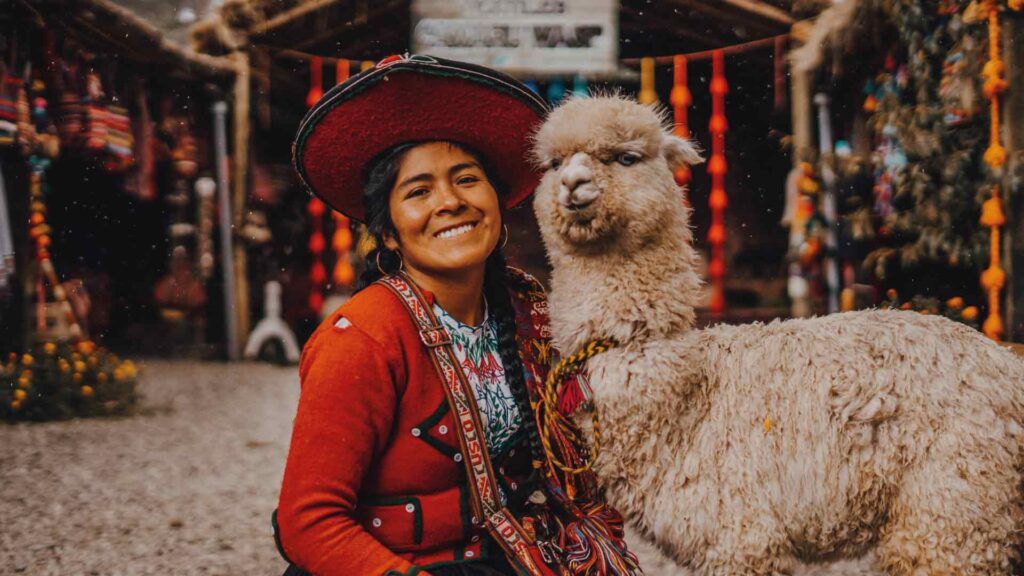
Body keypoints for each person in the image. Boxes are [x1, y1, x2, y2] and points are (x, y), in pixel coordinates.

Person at [276, 55, 639, 576]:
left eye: (466, 179)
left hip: (511, 556)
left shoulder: (529, 312)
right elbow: (308, 521)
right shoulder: (361, 338)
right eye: (418, 192)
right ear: (388, 232)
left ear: (495, 200)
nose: (449, 202)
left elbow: (577, 467)